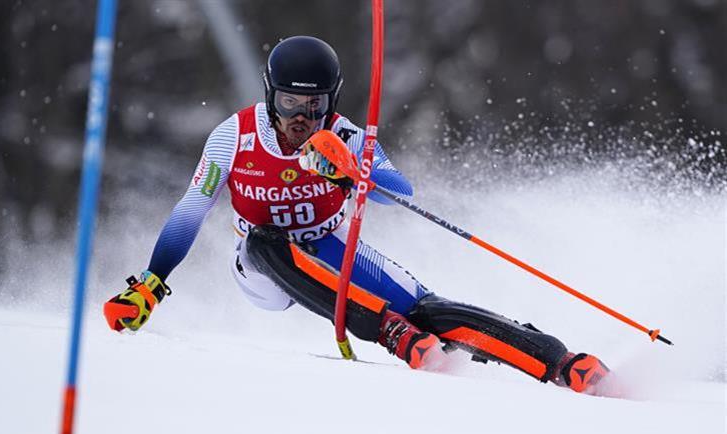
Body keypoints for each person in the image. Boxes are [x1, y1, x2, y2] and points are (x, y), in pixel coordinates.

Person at [104, 36, 610, 394]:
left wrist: (353, 174)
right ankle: (390, 333)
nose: (301, 118)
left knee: (429, 309)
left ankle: (558, 362)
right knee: (262, 242)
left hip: (328, 246)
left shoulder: (346, 135)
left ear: (333, 101)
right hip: (264, 271)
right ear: (269, 95)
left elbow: (399, 192)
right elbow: (190, 210)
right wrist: (152, 281)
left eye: (315, 104)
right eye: (289, 102)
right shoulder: (232, 138)